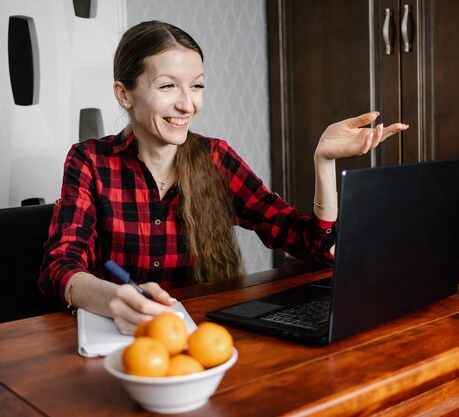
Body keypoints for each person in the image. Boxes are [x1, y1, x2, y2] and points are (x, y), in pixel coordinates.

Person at [38, 20, 408, 335]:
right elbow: (59, 267)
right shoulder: (89, 160)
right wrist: (113, 298)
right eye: (168, 86)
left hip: (200, 339)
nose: (187, 104)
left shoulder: (217, 158)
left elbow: (314, 246)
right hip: (118, 339)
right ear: (124, 94)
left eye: (196, 86)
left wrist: (323, 161)